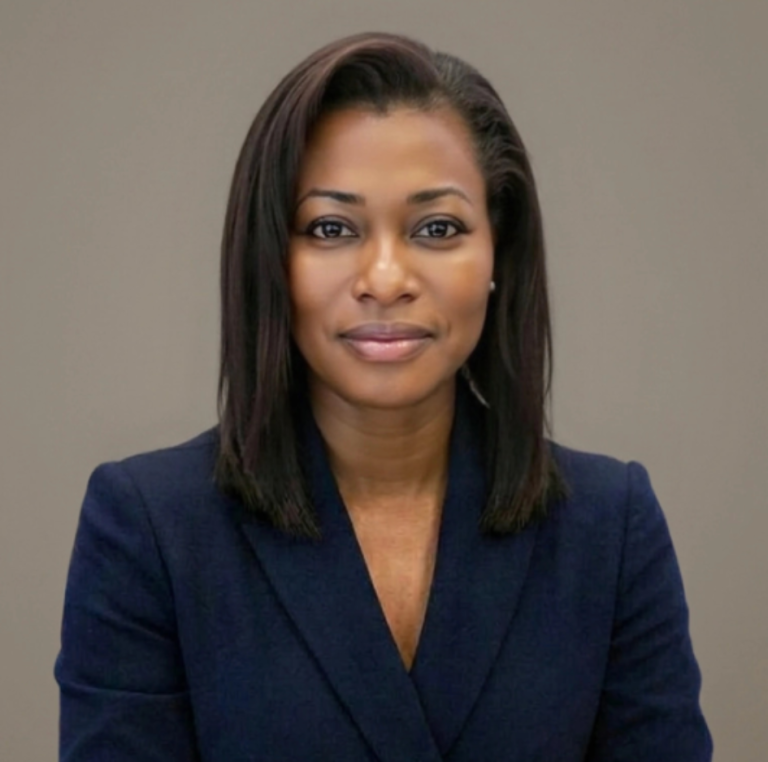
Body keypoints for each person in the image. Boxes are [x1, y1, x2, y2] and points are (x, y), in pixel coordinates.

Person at [54, 31, 713, 761]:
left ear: (500, 252)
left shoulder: (608, 528)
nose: (386, 277)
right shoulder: (149, 529)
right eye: (331, 228)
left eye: (438, 227)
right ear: (271, 257)